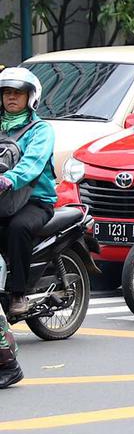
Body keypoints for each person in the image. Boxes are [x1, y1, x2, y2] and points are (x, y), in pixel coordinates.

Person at [0, 67, 56, 317]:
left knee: (18, 228)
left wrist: (8, 179)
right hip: (4, 199)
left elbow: (32, 163)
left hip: (35, 200)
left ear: (31, 97)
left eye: (18, 93)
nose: (11, 97)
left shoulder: (40, 130)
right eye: (7, 93)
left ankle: (18, 293)